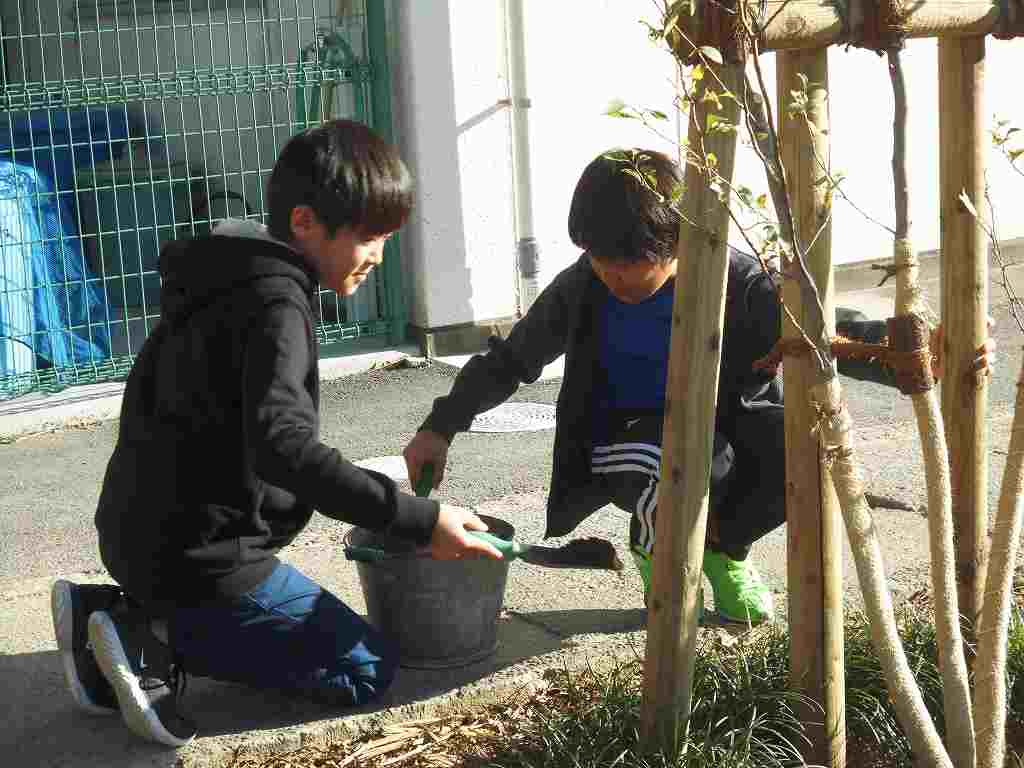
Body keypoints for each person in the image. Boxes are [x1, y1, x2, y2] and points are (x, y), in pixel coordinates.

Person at [403, 148, 996, 627]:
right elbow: (510, 360)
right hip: (622, 438)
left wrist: (921, 354)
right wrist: (441, 425)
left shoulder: (739, 285)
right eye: (599, 260)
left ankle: (722, 547)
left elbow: (827, 331)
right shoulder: (581, 288)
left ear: (680, 244)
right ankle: (656, 549)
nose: (611, 277)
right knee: (670, 461)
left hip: (723, 431)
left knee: (807, 454)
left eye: (628, 264)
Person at [50, 120, 501, 747]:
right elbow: (284, 445)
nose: (377, 257)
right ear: (306, 222)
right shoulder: (276, 305)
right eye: (369, 238)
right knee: (366, 669)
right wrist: (420, 520)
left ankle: (111, 610)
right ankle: (148, 638)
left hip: (135, 533)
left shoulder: (222, 277)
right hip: (203, 561)